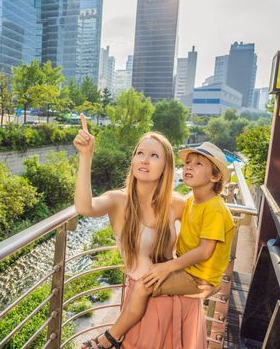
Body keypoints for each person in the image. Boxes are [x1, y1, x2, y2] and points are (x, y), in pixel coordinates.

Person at [74, 114, 212, 349]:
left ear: (166, 166)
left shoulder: (178, 203)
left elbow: (207, 240)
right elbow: (85, 207)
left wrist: (212, 280)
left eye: (154, 155)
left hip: (179, 299)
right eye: (140, 153)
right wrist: (86, 156)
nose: (145, 160)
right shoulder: (118, 200)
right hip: (141, 304)